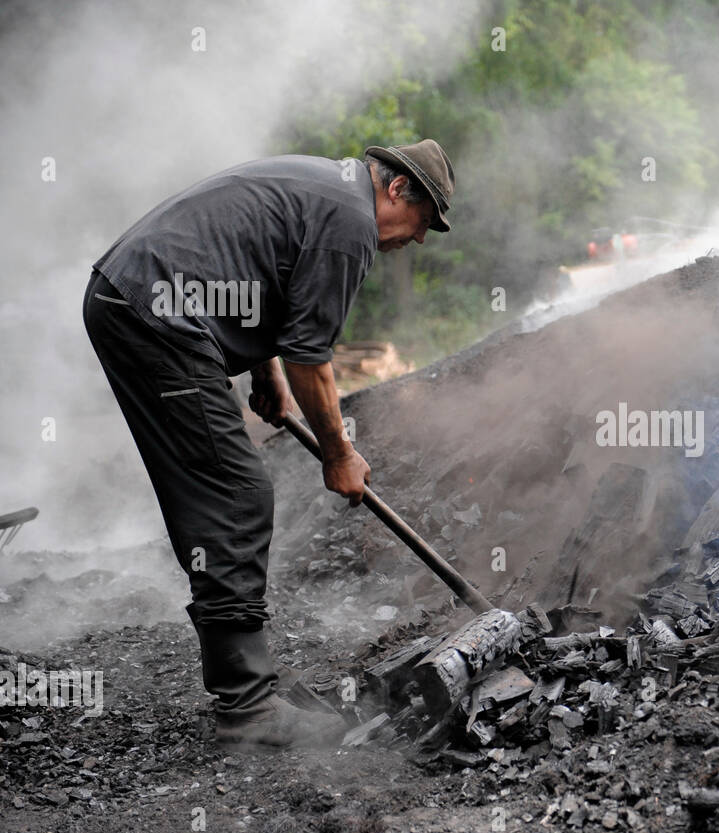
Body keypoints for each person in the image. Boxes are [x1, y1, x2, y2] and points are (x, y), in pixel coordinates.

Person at [82, 139, 456, 746]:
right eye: (423, 222)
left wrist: (264, 370)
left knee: (224, 485)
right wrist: (338, 454)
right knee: (236, 493)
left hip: (131, 298)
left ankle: (244, 692)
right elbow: (313, 355)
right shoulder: (350, 225)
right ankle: (247, 709)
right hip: (154, 313)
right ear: (395, 190)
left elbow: (259, 277)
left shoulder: (327, 189)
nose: (417, 239)